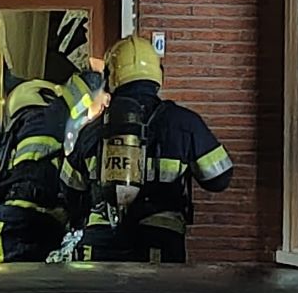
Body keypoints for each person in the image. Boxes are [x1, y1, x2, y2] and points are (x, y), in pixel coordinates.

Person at [59, 34, 234, 265]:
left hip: (100, 245)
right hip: (158, 241)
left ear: (111, 77)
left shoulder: (91, 130)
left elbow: (70, 191)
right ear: (157, 73)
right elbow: (219, 179)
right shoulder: (185, 123)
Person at [0, 80, 73, 263]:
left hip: (8, 225)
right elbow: (39, 177)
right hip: (22, 225)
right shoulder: (41, 123)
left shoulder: (14, 134)